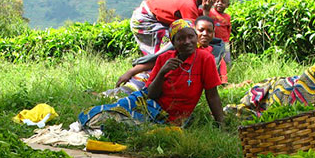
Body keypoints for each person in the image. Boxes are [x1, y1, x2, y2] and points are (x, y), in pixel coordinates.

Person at [79, 19, 224, 128]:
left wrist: (221, 124)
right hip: (148, 103)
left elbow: (212, 95)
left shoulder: (205, 59)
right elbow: (151, 94)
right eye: (180, 39)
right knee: (102, 115)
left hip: (172, 117)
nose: (187, 42)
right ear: (173, 42)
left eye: (190, 37)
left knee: (126, 126)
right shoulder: (164, 59)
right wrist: (162, 73)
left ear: (196, 38)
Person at [111, 16, 226, 94]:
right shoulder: (181, 47)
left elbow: (219, 81)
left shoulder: (213, 53)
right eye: (201, 30)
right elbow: (155, 61)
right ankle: (106, 95)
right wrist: (130, 72)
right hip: (156, 77)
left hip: (179, 88)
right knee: (130, 89)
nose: (205, 34)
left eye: (209, 31)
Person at [130, 0, 219, 57]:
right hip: (145, 20)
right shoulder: (188, 4)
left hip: (154, 17)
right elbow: (195, 33)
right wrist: (206, 11)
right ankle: (144, 73)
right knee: (163, 53)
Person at [210, 0, 232, 69]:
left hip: (225, 42)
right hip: (213, 41)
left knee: (227, 59)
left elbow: (228, 29)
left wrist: (227, 40)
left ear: (227, 5)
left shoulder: (227, 17)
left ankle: (228, 72)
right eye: (217, 1)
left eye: (223, 2)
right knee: (215, 58)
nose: (219, 3)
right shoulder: (211, 13)